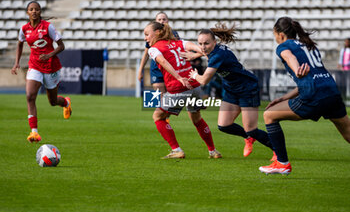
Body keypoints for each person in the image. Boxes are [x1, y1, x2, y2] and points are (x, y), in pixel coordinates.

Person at [259, 17, 350, 175]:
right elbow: (310, 78)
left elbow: (290, 58)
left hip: (313, 95)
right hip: (331, 90)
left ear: (280, 35)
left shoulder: (283, 46)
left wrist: (296, 70)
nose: (275, 38)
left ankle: (282, 163)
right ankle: (281, 163)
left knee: (269, 115)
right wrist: (283, 98)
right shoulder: (309, 45)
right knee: (347, 132)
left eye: (274, 35)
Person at [183, 23, 276, 159]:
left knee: (252, 129)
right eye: (200, 43)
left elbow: (203, 81)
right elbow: (203, 51)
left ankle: (277, 151)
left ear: (214, 42)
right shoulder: (213, 50)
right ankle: (249, 137)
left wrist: (194, 75)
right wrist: (195, 55)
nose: (203, 47)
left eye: (206, 43)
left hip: (247, 88)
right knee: (224, 125)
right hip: (232, 89)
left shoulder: (217, 56)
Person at [144, 21, 222, 159]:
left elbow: (162, 61)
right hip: (195, 85)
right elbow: (200, 49)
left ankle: (176, 150)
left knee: (157, 117)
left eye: (146, 34)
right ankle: (213, 151)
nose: (145, 38)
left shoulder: (154, 49)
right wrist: (198, 55)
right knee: (197, 119)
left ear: (157, 33)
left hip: (178, 88)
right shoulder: (179, 42)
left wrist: (178, 77)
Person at [11, 1, 72, 143]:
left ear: (40, 12)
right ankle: (34, 133)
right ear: (27, 12)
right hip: (35, 66)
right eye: (31, 9)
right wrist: (16, 63)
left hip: (51, 67)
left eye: (36, 9)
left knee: (52, 101)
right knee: (30, 96)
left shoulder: (48, 27)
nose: (34, 12)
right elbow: (20, 44)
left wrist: (49, 55)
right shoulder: (24, 29)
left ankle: (65, 103)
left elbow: (61, 46)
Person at [138, 12, 180, 93]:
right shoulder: (152, 35)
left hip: (170, 68)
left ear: (168, 21)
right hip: (156, 69)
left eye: (164, 19)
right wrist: (140, 70)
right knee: (158, 97)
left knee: (171, 98)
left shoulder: (174, 34)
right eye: (159, 19)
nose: (162, 21)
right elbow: (146, 54)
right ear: (155, 22)